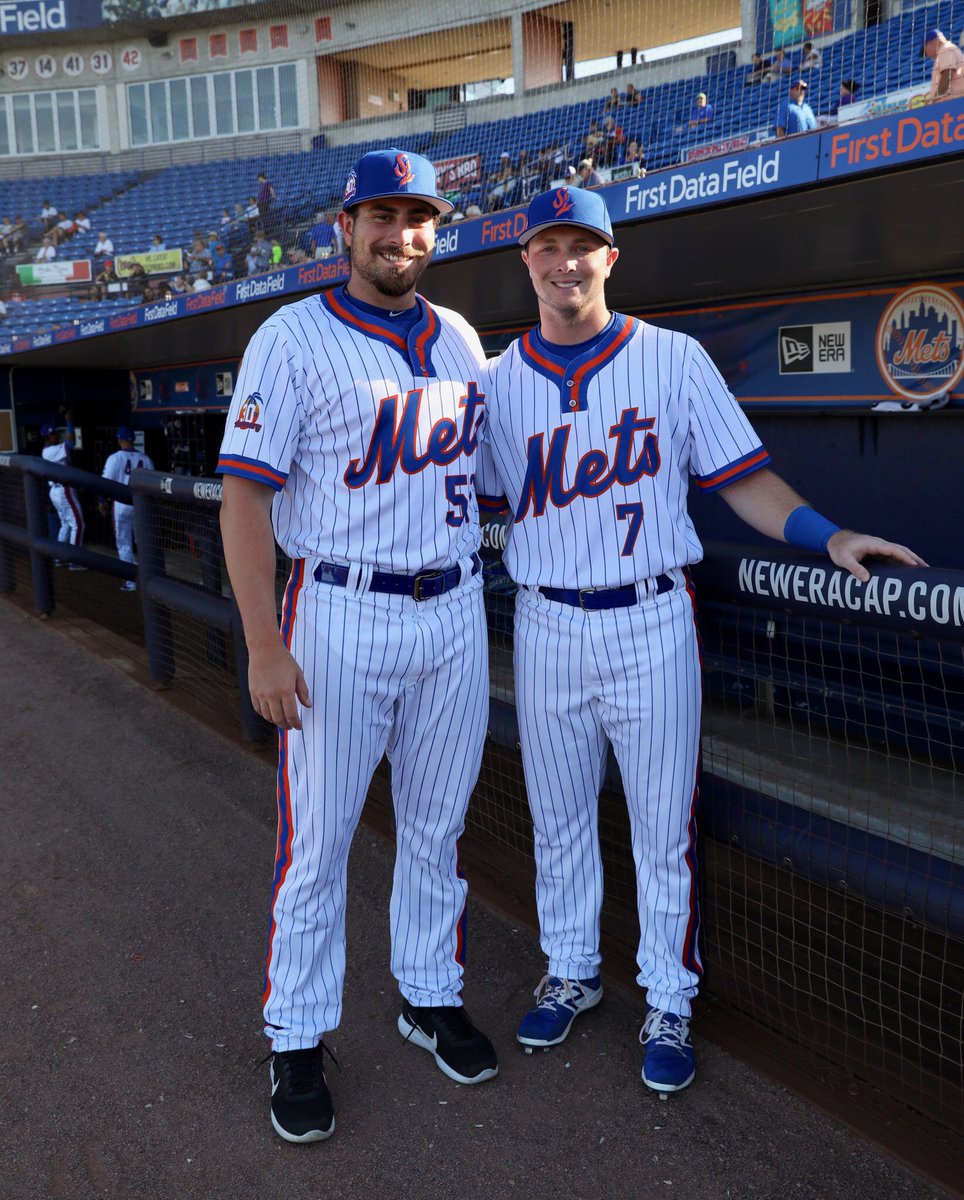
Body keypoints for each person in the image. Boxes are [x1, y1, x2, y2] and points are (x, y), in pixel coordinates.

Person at [475, 186, 925, 1094]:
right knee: (557, 818)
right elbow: (466, 501)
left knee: (661, 828)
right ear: (526, 261)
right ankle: (572, 970)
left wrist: (826, 534)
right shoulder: (491, 385)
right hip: (548, 619)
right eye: (548, 245)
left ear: (612, 258)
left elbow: (745, 479)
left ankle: (669, 996)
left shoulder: (673, 361)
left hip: (651, 618)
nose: (566, 261)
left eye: (584, 245)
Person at [216, 147, 498, 1144]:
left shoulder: (462, 337)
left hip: (455, 611)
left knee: (437, 827)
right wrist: (262, 641)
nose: (398, 233)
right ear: (345, 227)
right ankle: (295, 1034)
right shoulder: (289, 338)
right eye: (380, 214)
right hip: (339, 611)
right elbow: (245, 495)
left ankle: (428, 993)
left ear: (435, 229)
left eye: (416, 217)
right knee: (320, 842)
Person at [100, 426, 154, 590]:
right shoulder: (145, 459)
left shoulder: (115, 458)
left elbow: (105, 482)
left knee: (124, 543)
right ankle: (148, 579)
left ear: (119, 440)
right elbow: (153, 484)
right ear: (133, 439)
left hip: (122, 505)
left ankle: (131, 580)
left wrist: (102, 500)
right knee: (143, 541)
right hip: (141, 505)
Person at [41, 413, 85, 562]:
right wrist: (69, 421)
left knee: (66, 524)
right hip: (63, 490)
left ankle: (59, 557)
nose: (57, 436)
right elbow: (71, 443)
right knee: (78, 525)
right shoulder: (50, 451)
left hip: (56, 491)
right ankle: (76, 560)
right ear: (47, 437)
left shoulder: (49, 450)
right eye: (53, 435)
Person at [922, 29, 964, 101]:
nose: (927, 54)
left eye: (925, 50)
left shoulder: (945, 49)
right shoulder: (947, 49)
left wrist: (934, 100)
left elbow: (948, 73)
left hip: (954, 102)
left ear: (932, 42)